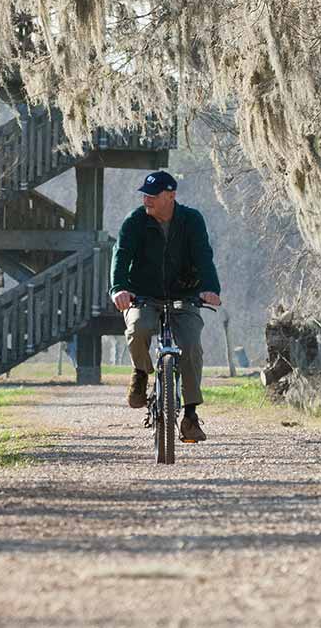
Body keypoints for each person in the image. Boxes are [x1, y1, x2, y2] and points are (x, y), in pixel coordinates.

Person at [110, 170, 222, 442]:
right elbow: (121, 256)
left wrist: (211, 289)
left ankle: (191, 415)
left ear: (170, 196)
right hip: (142, 296)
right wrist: (119, 289)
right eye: (144, 194)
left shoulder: (191, 220)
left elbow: (204, 256)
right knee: (138, 328)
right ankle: (140, 374)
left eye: (153, 194)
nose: (146, 199)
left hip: (185, 296)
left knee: (191, 346)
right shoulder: (135, 221)